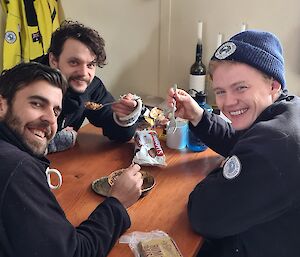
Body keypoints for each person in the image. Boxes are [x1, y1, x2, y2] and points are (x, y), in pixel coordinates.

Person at [168, 30, 300, 256]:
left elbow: (204, 214)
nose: (228, 102)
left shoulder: (275, 144)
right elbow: (240, 141)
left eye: (241, 87)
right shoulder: (287, 110)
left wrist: (223, 167)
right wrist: (197, 115)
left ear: (273, 85)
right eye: (220, 91)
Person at [0, 62, 143, 257]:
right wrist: (118, 202)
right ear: (2, 105)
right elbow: (74, 253)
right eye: (37, 103)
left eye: (56, 111)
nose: (51, 120)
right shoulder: (16, 167)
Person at [36, 20, 142, 153]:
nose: (84, 74)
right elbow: (11, 143)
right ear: (54, 61)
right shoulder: (25, 85)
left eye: (90, 65)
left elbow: (121, 135)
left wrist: (124, 117)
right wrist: (56, 141)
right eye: (74, 62)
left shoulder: (92, 87)